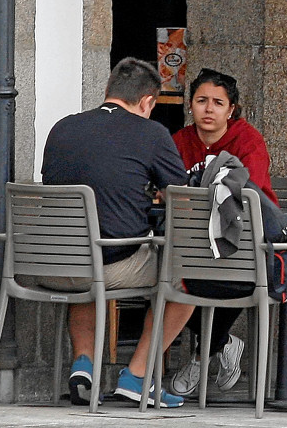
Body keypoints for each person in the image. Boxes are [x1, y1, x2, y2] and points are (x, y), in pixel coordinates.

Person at [40, 57, 191, 408]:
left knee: (88, 253)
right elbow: (179, 195)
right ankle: (136, 377)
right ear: (148, 102)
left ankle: (84, 367)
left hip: (49, 265)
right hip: (107, 266)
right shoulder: (152, 133)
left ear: (107, 92)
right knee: (186, 276)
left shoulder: (62, 127)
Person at [167, 68, 278, 397]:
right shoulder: (180, 141)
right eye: (201, 101)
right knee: (160, 280)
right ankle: (224, 343)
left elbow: (247, 193)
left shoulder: (248, 140)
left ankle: (203, 354)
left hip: (242, 241)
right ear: (191, 105)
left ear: (231, 109)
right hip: (191, 241)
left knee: (231, 277)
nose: (208, 109)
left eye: (218, 102)